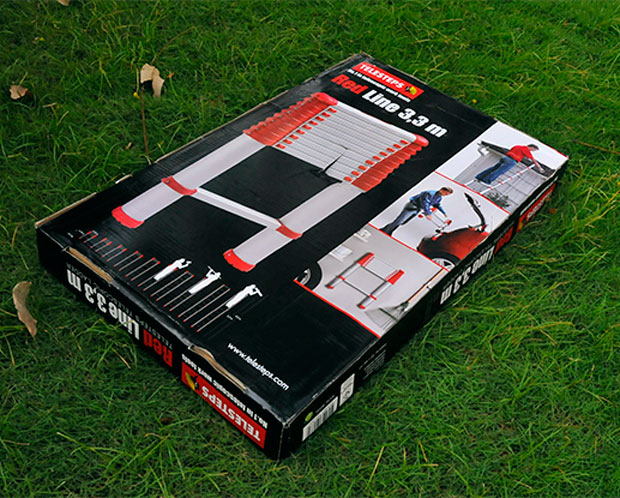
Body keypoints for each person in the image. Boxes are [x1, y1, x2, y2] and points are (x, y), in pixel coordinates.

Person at [380, 187, 453, 236]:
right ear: (441, 190)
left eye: (447, 195)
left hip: (417, 209)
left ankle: (385, 230)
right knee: (399, 221)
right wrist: (428, 213)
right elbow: (425, 203)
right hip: (412, 206)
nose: (445, 195)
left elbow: (437, 204)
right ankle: (386, 231)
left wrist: (443, 213)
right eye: (446, 193)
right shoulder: (429, 193)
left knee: (403, 222)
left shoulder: (439, 197)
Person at [476, 144, 543, 186]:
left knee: (494, 168)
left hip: (505, 157)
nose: (532, 151)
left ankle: (480, 177)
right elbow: (533, 160)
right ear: (532, 147)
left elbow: (511, 150)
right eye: (534, 150)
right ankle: (487, 180)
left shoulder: (517, 146)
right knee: (500, 171)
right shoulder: (526, 150)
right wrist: (540, 168)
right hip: (511, 161)